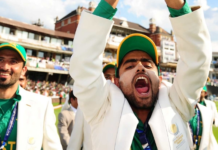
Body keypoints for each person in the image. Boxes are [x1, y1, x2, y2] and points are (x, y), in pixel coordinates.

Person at [69, 0, 218, 150]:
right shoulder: (102, 109)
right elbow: (84, 61)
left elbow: (196, 61)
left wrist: (177, 5)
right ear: (117, 81)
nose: (140, 67)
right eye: (130, 65)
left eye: (147, 64)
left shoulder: (177, 104)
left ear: (159, 80)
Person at [0, 43, 62, 150]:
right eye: (0, 59)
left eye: (13, 61)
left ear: (23, 70)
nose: (5, 67)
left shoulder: (41, 105)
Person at [67, 63, 116, 150]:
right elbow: (74, 143)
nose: (111, 81)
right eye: (107, 77)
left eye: (115, 76)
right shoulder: (85, 106)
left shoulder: (127, 108)